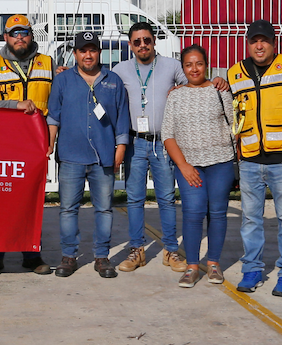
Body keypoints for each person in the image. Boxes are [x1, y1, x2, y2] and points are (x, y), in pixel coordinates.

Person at [227, 20, 282, 297]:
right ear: (248, 43)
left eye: (265, 40)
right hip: (249, 160)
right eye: (254, 41)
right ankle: (252, 270)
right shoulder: (234, 73)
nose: (259, 46)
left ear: (274, 43)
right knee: (250, 220)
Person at [0, 14, 54, 276]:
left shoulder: (48, 63)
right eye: (14, 33)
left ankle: (31, 255)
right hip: (1, 145)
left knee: (30, 203)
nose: (20, 38)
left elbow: (56, 104)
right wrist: (14, 105)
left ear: (31, 35)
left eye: (24, 33)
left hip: (34, 147)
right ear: (6, 37)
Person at [46, 31, 129, 279]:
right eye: (83, 50)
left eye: (92, 50)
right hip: (71, 156)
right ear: (75, 54)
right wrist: (49, 145)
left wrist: (121, 148)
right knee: (68, 209)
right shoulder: (62, 80)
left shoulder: (113, 81)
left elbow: (122, 118)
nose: (88, 55)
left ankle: (102, 257)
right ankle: (69, 256)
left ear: (99, 52)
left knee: (104, 209)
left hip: (103, 157)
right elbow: (53, 116)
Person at [111, 22, 187, 274]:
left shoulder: (172, 66)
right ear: (130, 45)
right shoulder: (121, 69)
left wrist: (183, 88)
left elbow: (194, 84)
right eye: (137, 41)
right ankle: (137, 250)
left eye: (147, 40)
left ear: (154, 41)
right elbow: (100, 84)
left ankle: (170, 250)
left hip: (162, 142)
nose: (142, 45)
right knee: (134, 199)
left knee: (166, 198)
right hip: (135, 142)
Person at [160, 44, 235, 288]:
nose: (194, 69)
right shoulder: (175, 95)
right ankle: (192, 266)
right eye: (189, 64)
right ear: (183, 68)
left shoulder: (219, 91)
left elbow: (233, 125)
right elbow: (167, 134)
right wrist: (183, 165)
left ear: (207, 65)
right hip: (189, 166)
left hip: (220, 162)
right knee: (193, 212)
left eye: (199, 63)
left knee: (217, 213)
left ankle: (213, 263)